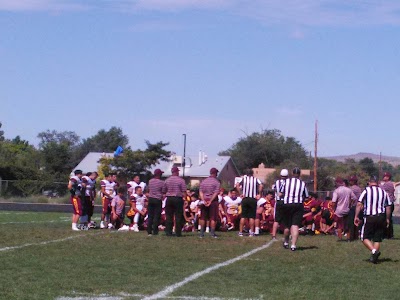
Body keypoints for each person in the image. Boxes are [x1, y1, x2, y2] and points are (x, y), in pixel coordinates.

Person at [354, 175, 392, 264]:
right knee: (377, 238)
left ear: (369, 182)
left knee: (363, 237)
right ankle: (374, 258)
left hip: (370, 216)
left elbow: (359, 204)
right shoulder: (383, 192)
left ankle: (374, 252)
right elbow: (388, 206)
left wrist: (356, 216)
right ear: (377, 182)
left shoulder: (366, 190)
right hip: (381, 216)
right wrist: (387, 218)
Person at [279, 167, 309, 251]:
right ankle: (293, 245)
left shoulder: (286, 181)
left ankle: (285, 241)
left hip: (287, 204)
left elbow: (280, 194)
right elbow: (306, 197)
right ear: (299, 174)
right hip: (298, 205)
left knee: (287, 226)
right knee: (295, 225)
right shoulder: (302, 183)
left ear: (292, 173)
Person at [236, 169, 263, 237]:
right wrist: (259, 194)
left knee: (243, 216)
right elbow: (261, 185)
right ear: (252, 173)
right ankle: (251, 232)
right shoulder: (256, 179)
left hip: (245, 198)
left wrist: (240, 193)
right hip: (252, 199)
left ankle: (240, 232)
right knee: (252, 216)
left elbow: (237, 185)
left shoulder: (243, 179)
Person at [162, 166, 187, 237]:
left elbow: (164, 190)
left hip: (169, 198)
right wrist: (185, 199)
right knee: (178, 216)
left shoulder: (167, 180)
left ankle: (168, 232)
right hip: (178, 198)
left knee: (169, 216)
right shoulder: (181, 180)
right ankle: (178, 233)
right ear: (176, 172)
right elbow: (184, 191)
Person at [332, 177, 357, 241]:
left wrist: (333, 209)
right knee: (347, 225)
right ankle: (348, 238)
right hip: (347, 210)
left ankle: (340, 238)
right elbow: (354, 198)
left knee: (339, 226)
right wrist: (350, 204)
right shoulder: (348, 190)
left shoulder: (336, 191)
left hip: (339, 210)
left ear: (337, 183)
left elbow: (333, 202)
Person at [199, 167, 221, 238]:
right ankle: (212, 233)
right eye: (216, 173)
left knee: (202, 217)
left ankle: (201, 233)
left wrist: (204, 200)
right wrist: (210, 201)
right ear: (215, 173)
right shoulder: (216, 182)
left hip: (204, 200)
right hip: (213, 201)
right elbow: (216, 193)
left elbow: (201, 192)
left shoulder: (203, 181)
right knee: (213, 218)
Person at [271, 169, 289, 240]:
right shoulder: (288, 182)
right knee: (286, 220)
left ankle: (274, 235)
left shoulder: (277, 182)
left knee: (276, 220)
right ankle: (286, 236)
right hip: (286, 202)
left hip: (278, 202)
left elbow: (274, 189)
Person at [147, 169, 165, 236]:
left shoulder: (150, 181)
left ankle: (149, 231)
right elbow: (163, 191)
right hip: (158, 199)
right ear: (159, 174)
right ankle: (155, 231)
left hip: (151, 199)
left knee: (150, 215)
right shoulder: (162, 182)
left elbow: (149, 189)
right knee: (156, 216)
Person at [380, 172, 395, 239]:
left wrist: (377, 184)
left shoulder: (388, 184)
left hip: (388, 203)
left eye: (385, 176)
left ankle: (387, 234)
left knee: (387, 219)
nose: (384, 177)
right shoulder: (389, 183)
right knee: (388, 219)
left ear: (388, 177)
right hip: (389, 203)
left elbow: (380, 189)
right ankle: (389, 234)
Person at [348, 175, 362, 240]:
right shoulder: (359, 188)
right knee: (356, 222)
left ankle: (351, 237)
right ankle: (356, 236)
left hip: (353, 206)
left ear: (354, 181)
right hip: (358, 206)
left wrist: (349, 204)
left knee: (351, 222)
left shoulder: (352, 188)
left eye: (351, 180)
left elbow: (351, 198)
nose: (350, 181)